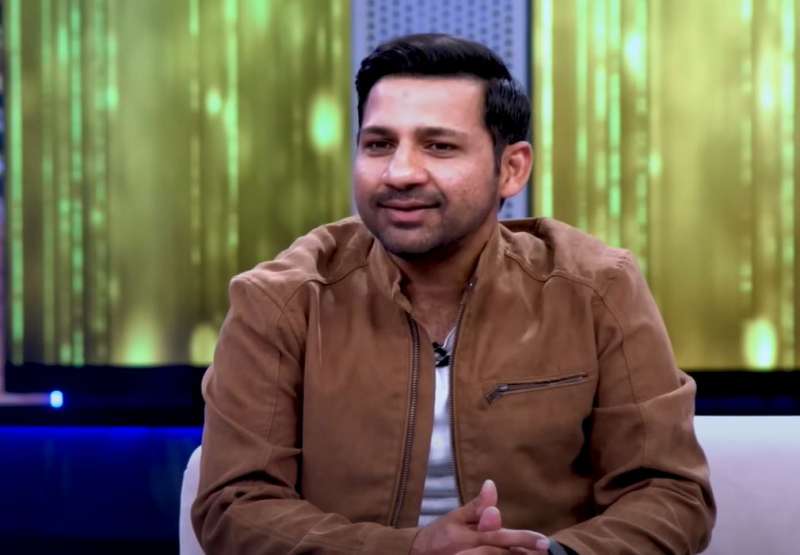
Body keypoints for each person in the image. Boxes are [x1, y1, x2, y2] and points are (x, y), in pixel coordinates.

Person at [192, 33, 715, 555]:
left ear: (511, 168)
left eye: (439, 146)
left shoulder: (596, 289)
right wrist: (412, 550)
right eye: (379, 144)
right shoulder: (280, 302)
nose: (400, 172)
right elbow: (236, 506)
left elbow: (670, 494)